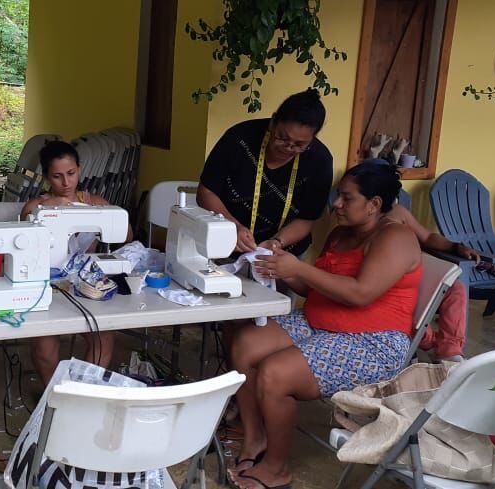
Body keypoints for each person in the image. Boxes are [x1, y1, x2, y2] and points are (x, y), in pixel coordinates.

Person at [228, 164, 421, 489]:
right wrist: (279, 266)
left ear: (374, 204)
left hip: (374, 343)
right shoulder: (341, 234)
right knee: (245, 344)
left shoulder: (395, 237)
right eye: (338, 196)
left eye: (347, 198)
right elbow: (314, 289)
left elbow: (361, 293)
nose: (337, 204)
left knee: (275, 373)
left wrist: (299, 269)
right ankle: (255, 439)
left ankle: (276, 469)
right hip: (322, 322)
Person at [20, 140, 133, 384]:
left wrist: (105, 216)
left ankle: (82, 393)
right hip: (46, 287)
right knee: (45, 348)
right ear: (46, 177)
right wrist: (48, 207)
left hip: (87, 287)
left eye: (71, 174)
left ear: (79, 170)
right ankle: (53, 397)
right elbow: (24, 243)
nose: (66, 182)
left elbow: (128, 235)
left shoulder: (96, 203)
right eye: (57, 176)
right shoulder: (36, 207)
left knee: (103, 338)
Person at [358, 160, 478, 361]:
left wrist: (455, 246)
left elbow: (428, 237)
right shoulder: (359, 219)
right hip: (383, 282)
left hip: (410, 274)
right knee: (407, 310)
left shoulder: (398, 214)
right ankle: (429, 343)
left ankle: (450, 349)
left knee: (456, 289)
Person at [198, 88, 334, 257]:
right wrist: (233, 226)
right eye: (282, 138)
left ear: (312, 139)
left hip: (282, 252)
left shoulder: (319, 161)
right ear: (273, 122)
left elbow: (307, 218)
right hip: (225, 240)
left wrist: (277, 242)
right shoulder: (239, 138)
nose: (288, 148)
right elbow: (206, 191)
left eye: (299, 145)